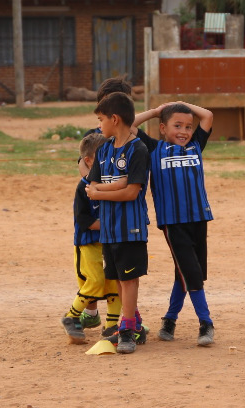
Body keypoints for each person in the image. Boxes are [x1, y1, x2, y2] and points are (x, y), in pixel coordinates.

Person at [132, 101, 216, 346]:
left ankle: (169, 319)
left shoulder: (195, 145)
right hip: (173, 222)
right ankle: (206, 323)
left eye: (188, 126)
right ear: (162, 128)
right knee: (191, 272)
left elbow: (208, 114)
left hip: (199, 218)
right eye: (177, 125)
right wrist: (158, 111)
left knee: (188, 273)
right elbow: (130, 125)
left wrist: (181, 105)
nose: (184, 131)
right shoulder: (153, 148)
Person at [85, 91, 150, 354]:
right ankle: (134, 323)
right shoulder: (102, 150)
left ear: (114, 119)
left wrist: (103, 190)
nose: (99, 126)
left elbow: (132, 191)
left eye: (101, 120)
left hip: (130, 228)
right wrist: (115, 184)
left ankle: (127, 330)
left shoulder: (138, 149)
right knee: (118, 279)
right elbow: (91, 184)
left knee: (129, 279)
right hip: (110, 229)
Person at [60, 134, 124, 344]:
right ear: (88, 161)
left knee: (114, 283)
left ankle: (112, 325)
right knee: (95, 281)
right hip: (88, 244)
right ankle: (71, 317)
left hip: (109, 242)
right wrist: (111, 225)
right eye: (103, 155)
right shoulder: (84, 187)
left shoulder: (112, 184)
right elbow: (84, 219)